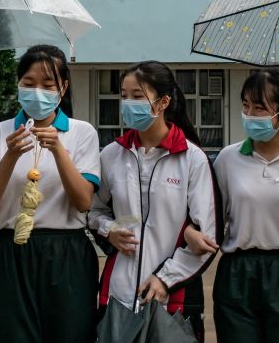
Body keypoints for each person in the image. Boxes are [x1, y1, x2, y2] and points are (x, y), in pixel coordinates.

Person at [0, 45, 100, 343]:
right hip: (11, 251)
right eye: (28, 84)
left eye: (48, 85)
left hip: (67, 251)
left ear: (63, 87)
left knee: (72, 335)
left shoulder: (82, 133)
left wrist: (58, 150)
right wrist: (10, 156)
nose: (37, 92)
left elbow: (83, 202)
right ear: (17, 85)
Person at [89, 61, 219, 340]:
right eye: (124, 95)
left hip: (173, 299)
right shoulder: (111, 155)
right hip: (118, 295)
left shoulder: (192, 159)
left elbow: (207, 237)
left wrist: (165, 278)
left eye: (137, 96)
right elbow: (94, 210)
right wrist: (108, 229)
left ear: (163, 102)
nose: (127, 103)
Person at [211, 68, 279, 343]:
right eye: (245, 105)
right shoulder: (228, 158)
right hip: (238, 272)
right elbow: (212, 218)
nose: (249, 114)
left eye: (259, 108)